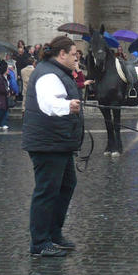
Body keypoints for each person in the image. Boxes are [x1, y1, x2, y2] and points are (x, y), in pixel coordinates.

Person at [22, 35, 84, 257]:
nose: (77, 57)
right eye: (74, 53)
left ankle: (54, 233)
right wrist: (68, 106)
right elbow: (49, 104)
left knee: (66, 185)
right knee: (47, 191)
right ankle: (39, 243)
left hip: (59, 142)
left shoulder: (57, 71)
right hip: (47, 143)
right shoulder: (49, 73)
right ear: (62, 54)